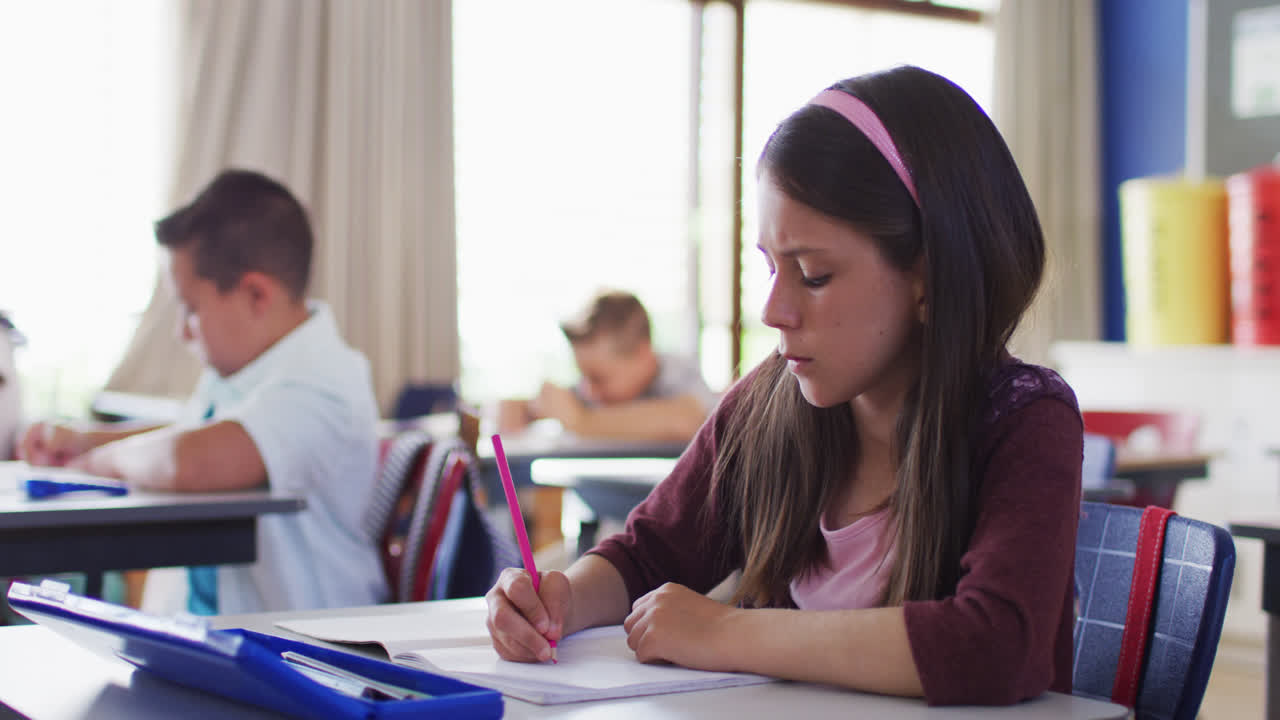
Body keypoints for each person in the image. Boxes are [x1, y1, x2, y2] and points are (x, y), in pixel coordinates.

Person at [484, 65, 1083, 706]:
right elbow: (648, 556)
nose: (772, 310)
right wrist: (562, 599)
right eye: (770, 267)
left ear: (928, 275)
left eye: (814, 274)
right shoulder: (770, 402)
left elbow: (995, 648)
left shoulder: (1025, 419)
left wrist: (728, 633)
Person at [18, 169, 387, 615]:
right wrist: (82, 438)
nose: (181, 331)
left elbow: (188, 459)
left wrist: (95, 461)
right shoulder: (246, 371)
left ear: (254, 295)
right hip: (224, 634)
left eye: (191, 309)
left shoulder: (324, 382)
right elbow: (188, 433)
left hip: (308, 647)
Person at [498, 290, 717, 444]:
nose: (588, 390)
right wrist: (523, 410)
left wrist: (582, 422)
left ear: (643, 355)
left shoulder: (678, 373)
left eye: (598, 378)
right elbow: (516, 410)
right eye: (584, 376)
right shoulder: (595, 394)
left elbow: (686, 421)